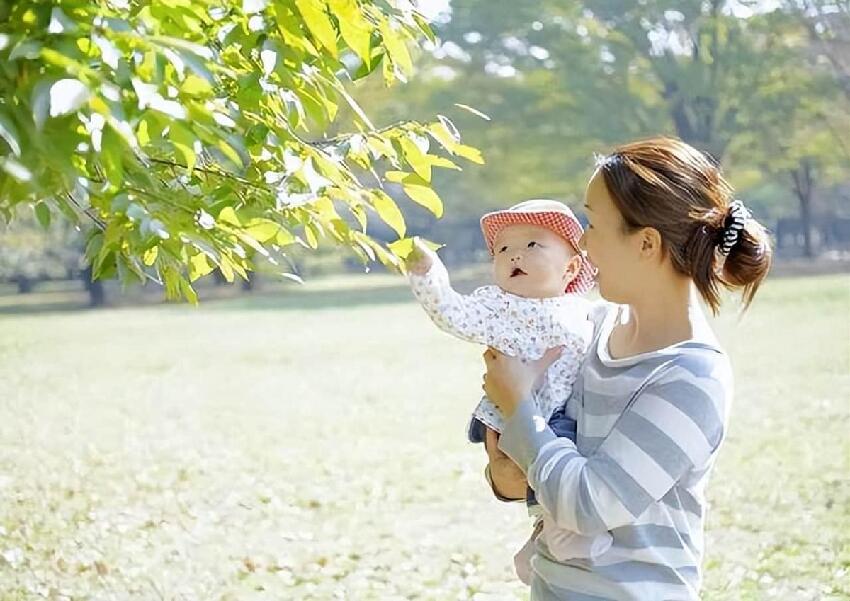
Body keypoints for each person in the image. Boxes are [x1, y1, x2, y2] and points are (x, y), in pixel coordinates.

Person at [482, 137, 772, 600]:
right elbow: (524, 472)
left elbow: (589, 504)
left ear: (645, 243)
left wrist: (517, 406)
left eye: (593, 223)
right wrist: (504, 471)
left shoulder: (692, 378)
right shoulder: (592, 329)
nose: (580, 240)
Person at [404, 199, 611, 581]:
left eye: (533, 245)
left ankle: (547, 533)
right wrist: (426, 272)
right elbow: (452, 313)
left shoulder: (585, 310)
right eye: (502, 249)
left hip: (561, 412)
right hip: (512, 414)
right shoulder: (499, 306)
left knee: (569, 453)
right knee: (551, 457)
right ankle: (554, 531)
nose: (515, 253)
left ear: (571, 267)